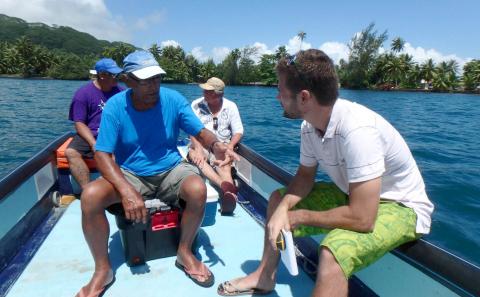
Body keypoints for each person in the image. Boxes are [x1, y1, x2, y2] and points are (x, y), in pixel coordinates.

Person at [217, 49, 434, 296]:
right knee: (278, 199)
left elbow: (364, 218)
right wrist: (283, 209)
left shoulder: (357, 131)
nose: (277, 96)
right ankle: (264, 276)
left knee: (334, 251)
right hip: (353, 194)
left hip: (401, 206)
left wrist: (296, 218)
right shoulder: (309, 127)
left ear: (304, 97)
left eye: (281, 90)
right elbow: (304, 178)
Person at [76, 51, 238, 297]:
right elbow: (102, 155)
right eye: (145, 80)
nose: (153, 86)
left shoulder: (173, 100)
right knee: (90, 195)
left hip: (170, 168)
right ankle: (102, 269)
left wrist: (217, 146)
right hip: (130, 172)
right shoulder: (115, 107)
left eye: (156, 78)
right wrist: (126, 190)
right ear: (128, 80)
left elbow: (200, 132)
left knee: (198, 189)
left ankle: (185, 252)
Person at [189, 77, 244, 215]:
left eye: (208, 91)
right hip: (200, 143)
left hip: (222, 144)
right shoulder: (196, 105)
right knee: (197, 157)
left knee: (223, 163)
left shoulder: (230, 106)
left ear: (219, 94)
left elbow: (238, 131)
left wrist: (230, 146)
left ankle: (228, 196)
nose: (203, 92)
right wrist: (197, 148)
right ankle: (226, 188)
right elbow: (191, 129)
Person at [66, 58, 123, 190]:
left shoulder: (122, 93)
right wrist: (93, 143)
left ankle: (116, 190)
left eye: (118, 75)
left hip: (114, 133)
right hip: (91, 133)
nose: (117, 78)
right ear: (102, 75)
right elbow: (79, 123)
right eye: (114, 75)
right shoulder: (83, 94)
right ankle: (87, 190)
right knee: (71, 152)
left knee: (113, 155)